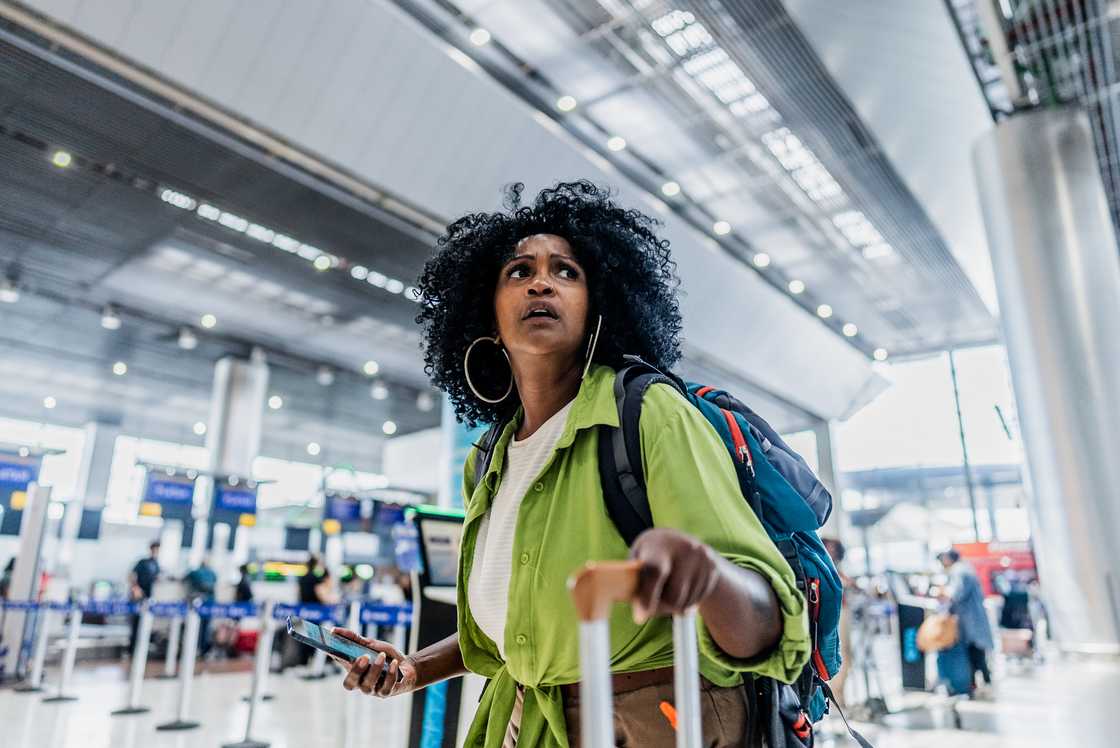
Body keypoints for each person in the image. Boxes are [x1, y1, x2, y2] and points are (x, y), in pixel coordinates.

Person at [333, 181, 810, 747]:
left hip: (654, 721)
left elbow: (764, 627)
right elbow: (519, 629)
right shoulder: (488, 459)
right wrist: (413, 668)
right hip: (530, 718)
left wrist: (707, 575)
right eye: (519, 272)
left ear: (597, 304)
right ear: (488, 313)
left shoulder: (648, 414)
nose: (541, 282)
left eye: (566, 271)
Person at [938, 549, 995, 695]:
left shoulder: (958, 571)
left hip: (969, 621)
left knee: (973, 651)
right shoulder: (965, 568)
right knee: (976, 651)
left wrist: (943, 594)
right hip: (971, 619)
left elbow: (957, 593)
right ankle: (979, 682)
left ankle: (980, 683)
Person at [128, 541, 160, 653]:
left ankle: (141, 649)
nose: (156, 552)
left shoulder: (156, 564)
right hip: (139, 597)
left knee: (145, 623)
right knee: (136, 623)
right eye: (155, 549)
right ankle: (132, 649)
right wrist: (135, 588)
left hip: (148, 598)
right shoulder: (143, 562)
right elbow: (132, 575)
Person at [184, 557, 218, 657]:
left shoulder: (195, 572)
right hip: (209, 604)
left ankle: (194, 649)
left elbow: (185, 578)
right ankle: (203, 650)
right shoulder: (212, 573)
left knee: (194, 627)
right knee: (206, 628)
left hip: (199, 604)